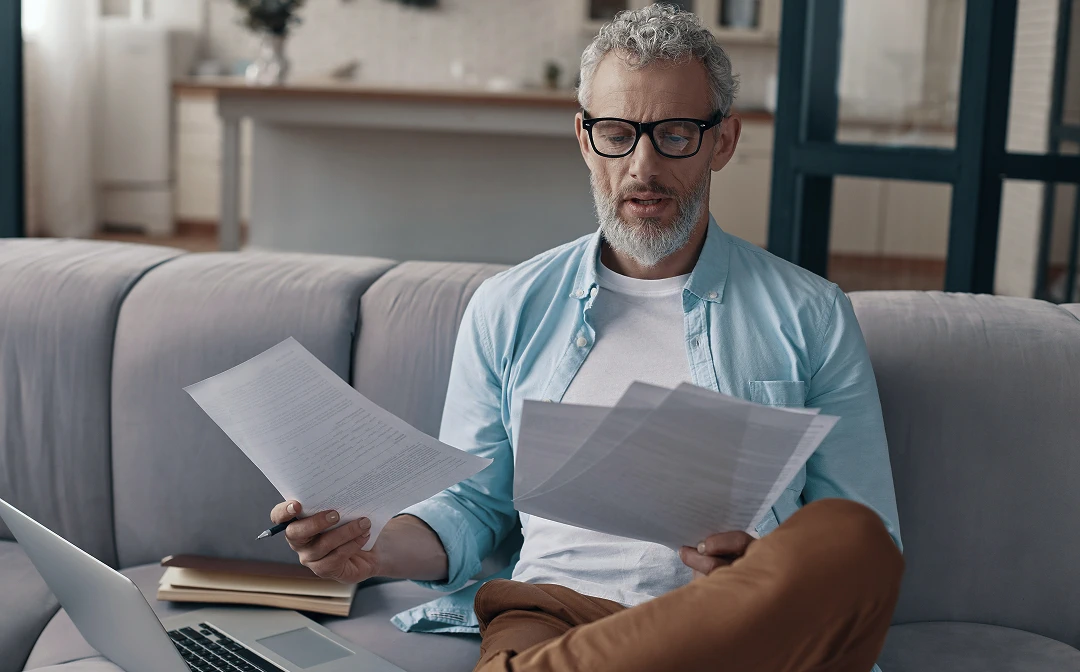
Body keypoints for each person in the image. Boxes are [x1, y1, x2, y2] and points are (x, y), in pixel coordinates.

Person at [270, 5, 904, 671]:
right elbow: (471, 505)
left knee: (852, 536)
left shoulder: (811, 312)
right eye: (617, 133)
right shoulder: (509, 306)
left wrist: (760, 566)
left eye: (677, 133)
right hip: (556, 618)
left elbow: (867, 541)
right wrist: (373, 549)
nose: (643, 166)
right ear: (583, 137)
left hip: (729, 622)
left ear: (723, 140)